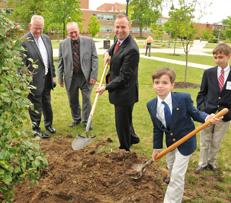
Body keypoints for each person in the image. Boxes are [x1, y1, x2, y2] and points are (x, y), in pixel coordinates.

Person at [147, 67, 221, 203]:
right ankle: (178, 196)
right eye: (157, 82)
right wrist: (156, 148)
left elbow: (195, 113)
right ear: (153, 84)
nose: (160, 86)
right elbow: (157, 128)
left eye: (165, 83)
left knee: (176, 175)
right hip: (171, 144)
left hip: (185, 143)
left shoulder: (183, 98)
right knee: (173, 170)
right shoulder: (151, 105)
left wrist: (207, 118)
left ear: (172, 85)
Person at [95, 14, 140, 151]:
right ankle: (133, 138)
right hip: (120, 88)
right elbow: (114, 47)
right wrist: (107, 53)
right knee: (126, 118)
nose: (120, 30)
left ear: (129, 28)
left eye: (123, 27)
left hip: (125, 91)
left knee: (122, 123)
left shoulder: (132, 49)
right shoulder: (118, 38)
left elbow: (124, 77)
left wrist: (106, 87)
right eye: (117, 27)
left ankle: (124, 149)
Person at [195, 43, 231, 173]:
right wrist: (202, 109)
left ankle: (211, 162)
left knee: (216, 140)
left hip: (224, 114)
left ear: (229, 56)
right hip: (207, 113)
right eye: (215, 57)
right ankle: (202, 163)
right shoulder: (208, 73)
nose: (217, 60)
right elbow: (202, 93)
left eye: (220, 57)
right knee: (205, 139)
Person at [19, 15, 57, 139]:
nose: (39, 31)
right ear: (30, 26)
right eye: (36, 28)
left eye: (41, 28)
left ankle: (49, 124)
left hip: (46, 78)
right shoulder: (24, 41)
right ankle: (36, 129)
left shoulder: (46, 39)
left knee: (47, 103)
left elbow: (50, 59)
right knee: (36, 106)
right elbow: (20, 65)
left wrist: (53, 76)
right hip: (33, 80)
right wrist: (24, 83)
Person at [57, 22, 98, 129]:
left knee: (87, 99)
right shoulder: (63, 44)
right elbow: (60, 62)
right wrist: (60, 78)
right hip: (71, 77)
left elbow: (95, 59)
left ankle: (86, 121)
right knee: (73, 100)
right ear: (67, 33)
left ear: (79, 30)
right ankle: (76, 119)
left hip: (86, 77)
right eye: (71, 33)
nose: (74, 34)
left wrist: (93, 76)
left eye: (75, 32)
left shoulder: (89, 42)